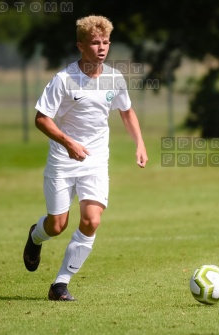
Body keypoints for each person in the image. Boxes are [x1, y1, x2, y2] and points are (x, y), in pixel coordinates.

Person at [23, 15, 148, 301]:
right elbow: (42, 119)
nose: (101, 47)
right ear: (81, 45)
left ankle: (60, 285)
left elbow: (126, 112)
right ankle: (35, 236)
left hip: (95, 161)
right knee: (57, 225)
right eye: (95, 42)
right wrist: (67, 143)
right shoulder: (64, 80)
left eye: (105, 42)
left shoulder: (114, 78)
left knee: (91, 220)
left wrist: (139, 143)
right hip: (62, 160)